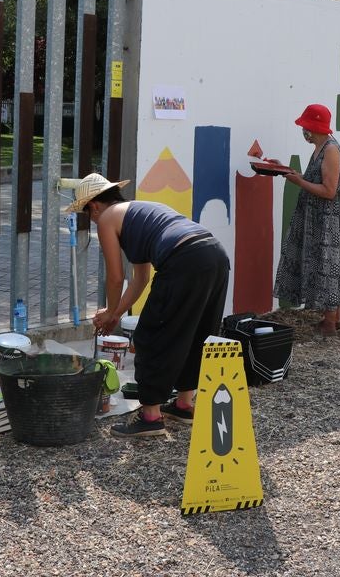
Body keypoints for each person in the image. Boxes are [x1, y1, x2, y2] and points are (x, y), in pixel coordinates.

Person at [69, 173, 230, 439]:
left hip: (183, 259)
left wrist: (110, 311)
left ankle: (151, 416)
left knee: (152, 334)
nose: (93, 219)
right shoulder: (138, 213)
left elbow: (116, 276)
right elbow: (140, 278)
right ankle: (183, 404)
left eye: (89, 213)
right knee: (195, 332)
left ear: (94, 206)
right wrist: (117, 313)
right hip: (214, 255)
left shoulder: (108, 218)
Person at [271, 103, 340, 336]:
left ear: (314, 128)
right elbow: (317, 180)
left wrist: (298, 182)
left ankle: (330, 324)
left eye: (305, 126)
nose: (303, 131)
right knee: (326, 264)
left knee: (328, 267)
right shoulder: (321, 148)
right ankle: (334, 318)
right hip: (320, 217)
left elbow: (329, 191)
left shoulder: (331, 150)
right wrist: (288, 172)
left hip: (329, 220)